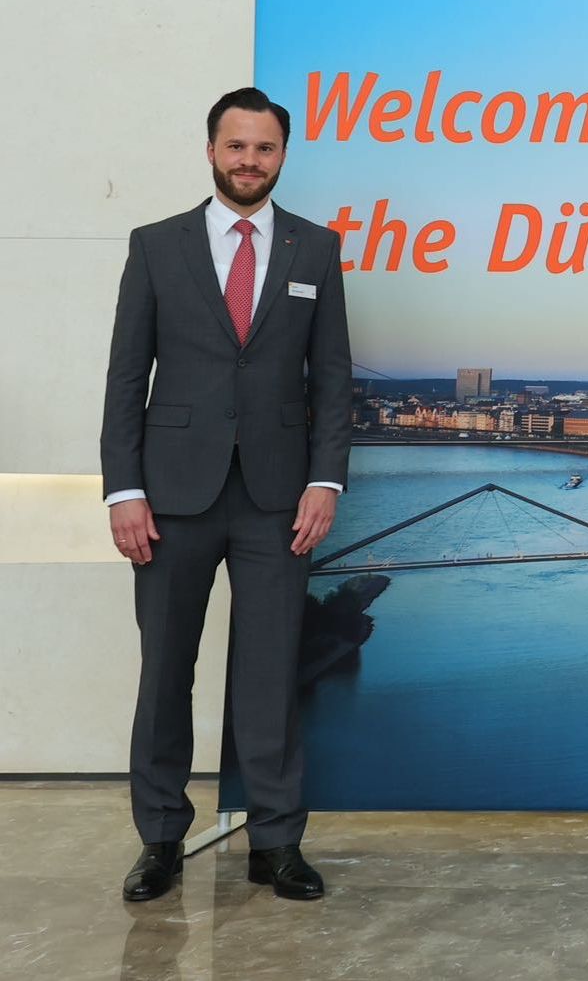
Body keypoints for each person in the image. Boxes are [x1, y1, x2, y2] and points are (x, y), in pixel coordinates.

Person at [103, 87, 352, 902]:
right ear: (211, 150)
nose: (251, 161)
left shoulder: (316, 250)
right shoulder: (155, 246)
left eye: (266, 149)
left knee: (272, 674)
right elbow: (124, 379)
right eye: (237, 146)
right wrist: (124, 490)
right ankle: (161, 841)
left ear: (284, 156)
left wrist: (324, 480)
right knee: (163, 672)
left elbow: (334, 380)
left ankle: (276, 843)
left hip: (280, 500)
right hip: (170, 497)